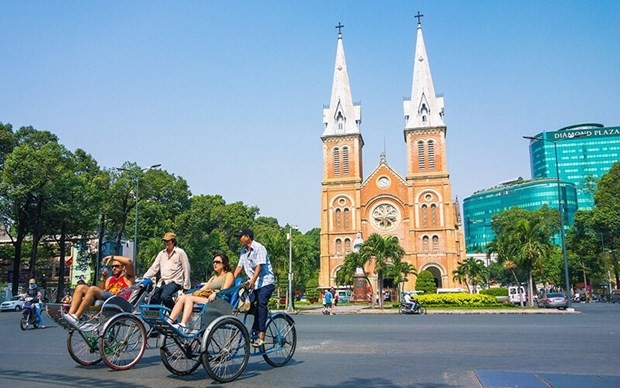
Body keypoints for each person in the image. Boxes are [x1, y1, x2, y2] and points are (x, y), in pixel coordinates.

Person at [168, 253, 234, 332]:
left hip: (218, 300)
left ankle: (183, 324)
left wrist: (215, 293)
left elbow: (225, 290)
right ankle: (169, 322)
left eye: (217, 262)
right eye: (214, 262)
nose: (215, 264)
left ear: (224, 263)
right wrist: (188, 294)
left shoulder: (229, 275)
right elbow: (202, 290)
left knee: (189, 299)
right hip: (207, 299)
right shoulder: (213, 278)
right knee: (183, 298)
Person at [65, 255, 134, 328]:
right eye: (112, 266)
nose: (114, 268)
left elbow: (129, 262)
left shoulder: (128, 278)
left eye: (116, 266)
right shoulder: (110, 279)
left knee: (93, 289)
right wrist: (103, 279)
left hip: (118, 301)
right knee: (80, 287)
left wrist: (112, 257)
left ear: (123, 267)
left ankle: (76, 317)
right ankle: (70, 316)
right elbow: (101, 291)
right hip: (108, 299)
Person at [233, 228, 275, 347]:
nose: (239, 239)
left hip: (265, 282)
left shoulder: (259, 248)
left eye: (240, 236)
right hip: (254, 284)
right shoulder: (244, 251)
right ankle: (259, 321)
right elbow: (239, 267)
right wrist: (231, 281)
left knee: (261, 304)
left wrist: (253, 280)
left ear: (247, 237)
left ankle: (261, 335)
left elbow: (259, 266)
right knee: (246, 306)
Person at [143, 232, 191, 309]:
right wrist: (144, 278)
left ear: (173, 242)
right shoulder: (161, 253)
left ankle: (174, 313)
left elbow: (186, 268)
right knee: (153, 299)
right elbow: (154, 268)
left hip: (175, 282)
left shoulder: (180, 253)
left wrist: (186, 286)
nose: (166, 243)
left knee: (165, 297)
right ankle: (155, 319)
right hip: (162, 282)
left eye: (168, 241)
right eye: (165, 241)